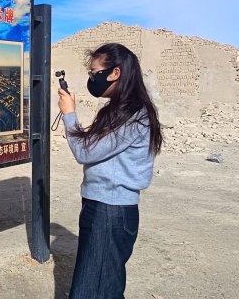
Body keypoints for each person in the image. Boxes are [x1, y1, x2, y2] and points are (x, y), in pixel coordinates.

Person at [57, 43, 162, 299]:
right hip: (106, 208)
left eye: (94, 73)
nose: (92, 79)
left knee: (93, 290)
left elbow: (85, 152)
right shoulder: (123, 110)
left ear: (115, 73)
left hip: (109, 211)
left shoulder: (132, 115)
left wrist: (69, 115)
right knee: (105, 286)